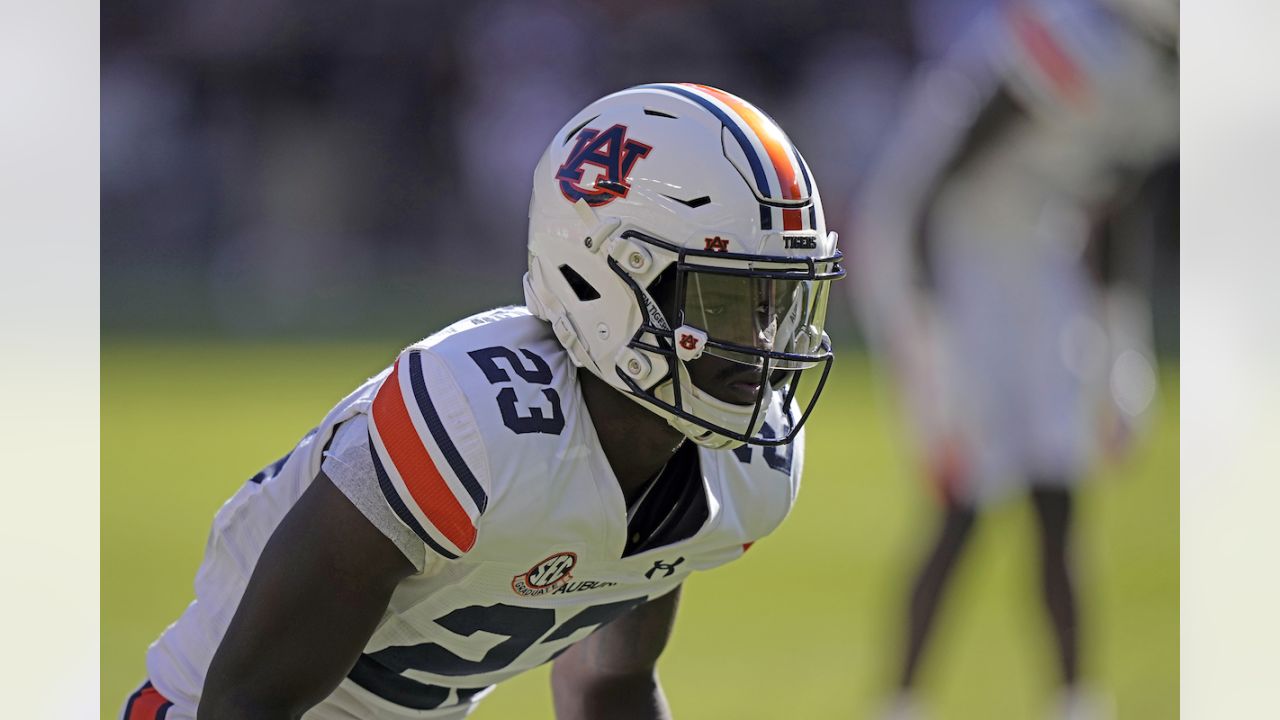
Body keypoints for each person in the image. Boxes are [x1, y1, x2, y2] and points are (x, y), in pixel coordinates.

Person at [122, 83, 845, 720]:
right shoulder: (474, 423)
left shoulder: (742, 469)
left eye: (777, 300)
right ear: (609, 282)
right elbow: (246, 700)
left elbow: (610, 686)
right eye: (723, 301)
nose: (761, 341)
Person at [846, 1, 1177, 717]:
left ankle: (1077, 700)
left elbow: (1111, 200)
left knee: (1057, 483)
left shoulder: (1163, 75)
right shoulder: (1076, 38)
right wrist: (935, 348)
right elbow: (931, 193)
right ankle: (900, 702)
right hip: (945, 253)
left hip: (1034, 245)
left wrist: (1123, 343)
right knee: (965, 490)